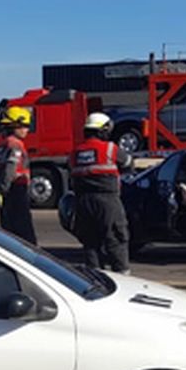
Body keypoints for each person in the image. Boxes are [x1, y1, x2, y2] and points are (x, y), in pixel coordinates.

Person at [68, 112, 131, 272]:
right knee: (116, 238)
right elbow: (128, 163)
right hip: (107, 201)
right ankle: (123, 277)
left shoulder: (75, 152)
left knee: (90, 242)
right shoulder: (110, 148)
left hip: (83, 201)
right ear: (102, 130)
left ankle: (95, 276)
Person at [0, 106, 37, 244]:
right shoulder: (15, 145)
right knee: (26, 236)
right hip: (16, 192)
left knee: (9, 234)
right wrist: (3, 189)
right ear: (15, 125)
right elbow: (11, 169)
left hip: (5, 194)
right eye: (25, 126)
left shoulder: (1, 145)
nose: (27, 129)